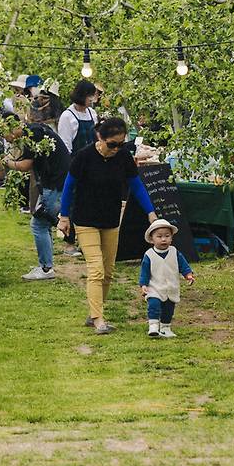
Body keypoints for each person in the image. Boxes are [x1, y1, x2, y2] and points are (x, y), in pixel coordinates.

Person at [58, 117, 157, 334]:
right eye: (112, 144)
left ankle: (94, 310)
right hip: (85, 220)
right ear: (99, 137)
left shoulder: (123, 157)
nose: (116, 148)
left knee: (108, 271)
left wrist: (151, 212)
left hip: (111, 220)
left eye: (121, 144)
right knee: (96, 269)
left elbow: (137, 186)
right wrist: (64, 216)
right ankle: (98, 319)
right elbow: (68, 187)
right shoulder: (83, 156)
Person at [4, 93, 70, 281]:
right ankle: (46, 264)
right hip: (57, 180)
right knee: (44, 222)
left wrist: (7, 162)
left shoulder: (32, 134)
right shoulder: (34, 130)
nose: (7, 139)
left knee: (38, 224)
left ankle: (47, 269)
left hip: (55, 183)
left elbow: (25, 165)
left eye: (6, 134)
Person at [139, 219, 195, 338]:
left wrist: (188, 275)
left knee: (169, 309)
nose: (163, 239)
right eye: (159, 236)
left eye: (167, 236)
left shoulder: (175, 252)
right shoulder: (149, 255)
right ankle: (153, 325)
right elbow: (144, 272)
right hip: (154, 287)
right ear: (152, 239)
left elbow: (183, 266)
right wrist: (143, 285)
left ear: (171, 238)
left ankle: (165, 327)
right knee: (153, 304)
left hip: (171, 287)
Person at [57, 81, 99, 154]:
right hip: (77, 161)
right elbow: (65, 146)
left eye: (93, 95)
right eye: (89, 96)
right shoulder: (67, 116)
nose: (91, 99)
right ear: (81, 95)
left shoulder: (92, 113)